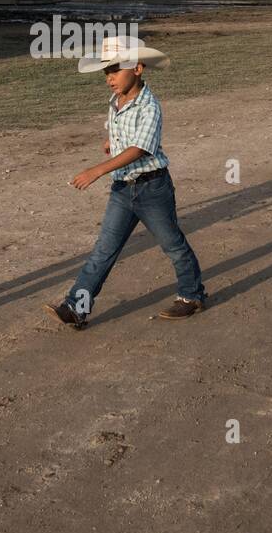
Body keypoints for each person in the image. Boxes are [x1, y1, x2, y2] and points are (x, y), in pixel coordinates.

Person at [46, 35, 205, 329]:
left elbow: (141, 148)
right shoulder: (116, 101)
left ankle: (191, 296)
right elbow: (125, 138)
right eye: (107, 71)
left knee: (172, 244)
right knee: (104, 250)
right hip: (122, 189)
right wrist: (111, 142)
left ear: (138, 68)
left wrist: (98, 170)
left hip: (152, 189)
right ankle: (76, 308)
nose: (110, 77)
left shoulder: (150, 106)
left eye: (116, 69)